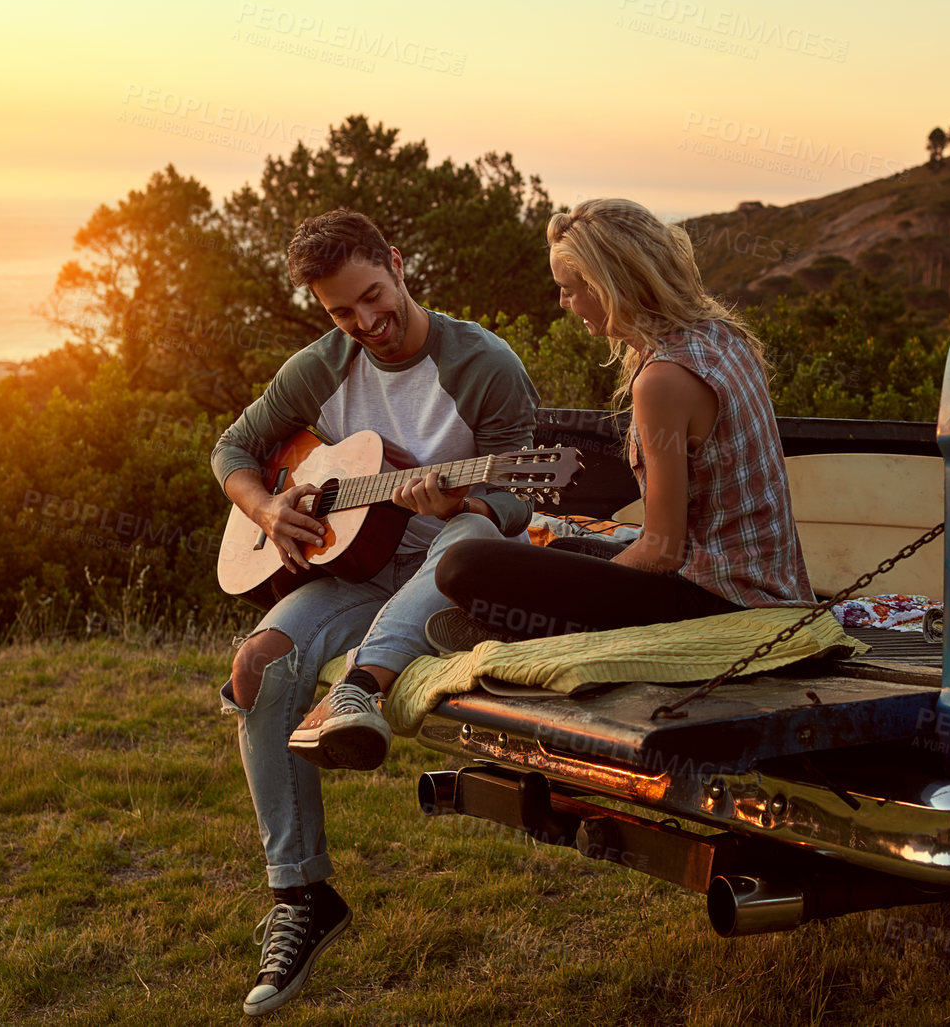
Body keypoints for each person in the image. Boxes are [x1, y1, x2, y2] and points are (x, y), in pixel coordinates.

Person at [211, 209, 538, 1016]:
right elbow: (232, 450)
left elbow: (521, 494)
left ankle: (359, 686)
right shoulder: (322, 365)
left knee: (460, 532)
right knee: (259, 663)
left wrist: (457, 492)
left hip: (450, 563)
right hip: (359, 561)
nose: (364, 323)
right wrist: (265, 512)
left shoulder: (482, 362)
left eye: (371, 295)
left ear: (396, 262)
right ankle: (301, 897)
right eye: (339, 312)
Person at [428, 197, 810, 648]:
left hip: (719, 599)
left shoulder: (662, 381)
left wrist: (574, 591)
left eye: (570, 288)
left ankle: (530, 630)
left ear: (611, 284)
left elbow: (662, 552)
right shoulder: (718, 333)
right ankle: (529, 617)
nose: (564, 302)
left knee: (463, 566)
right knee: (567, 550)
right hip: (761, 579)